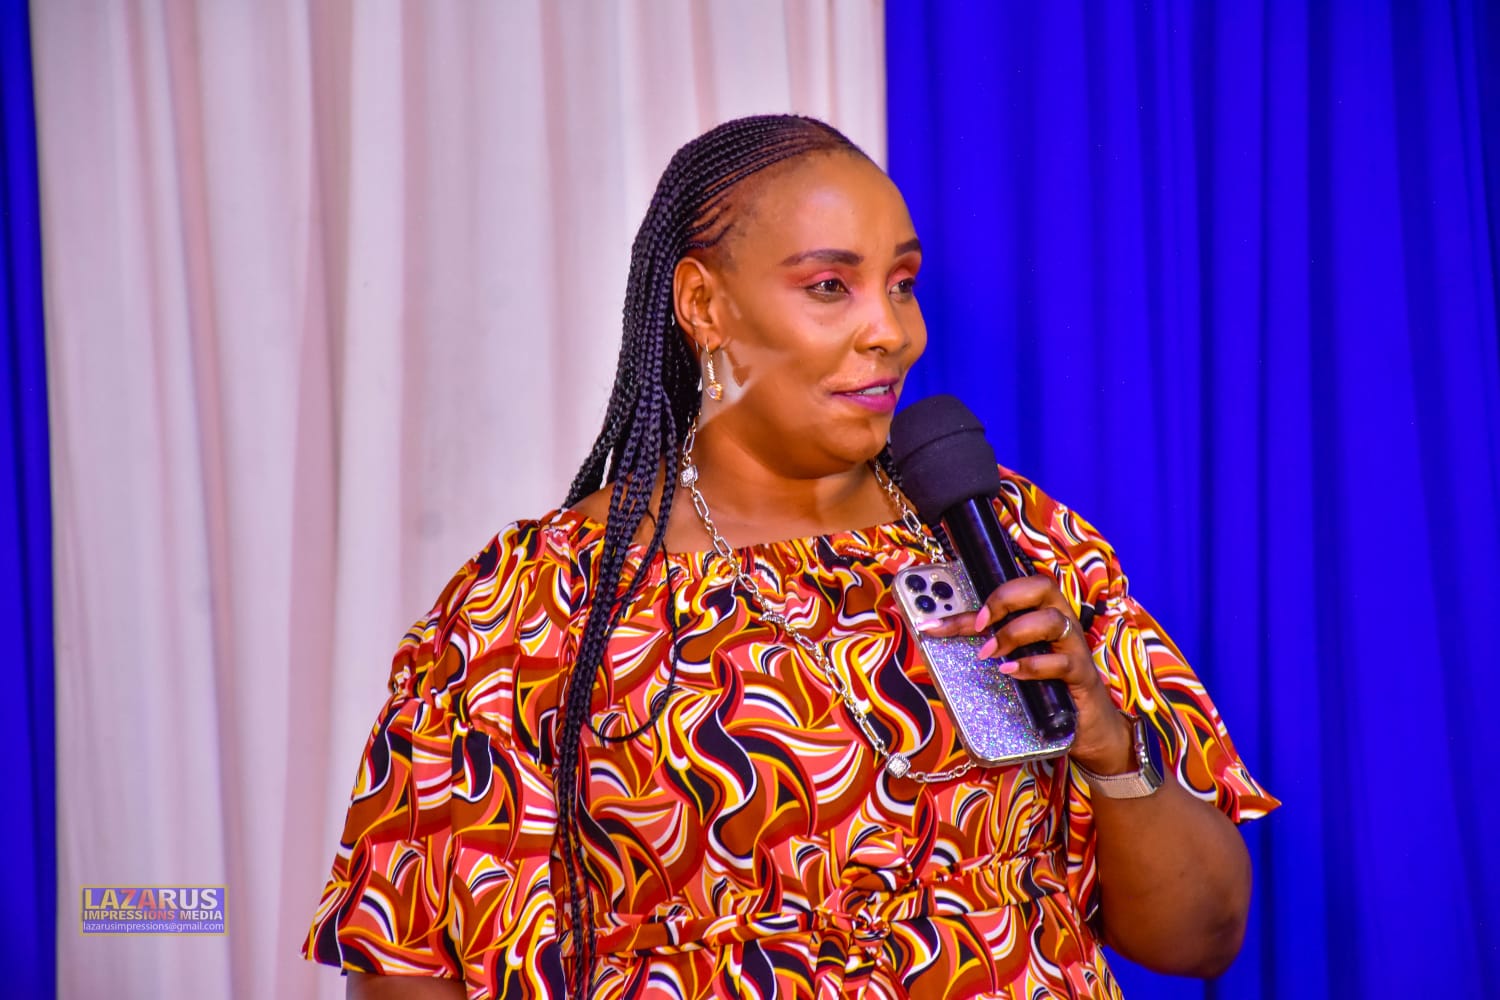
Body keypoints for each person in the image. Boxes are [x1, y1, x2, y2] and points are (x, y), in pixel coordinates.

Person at [304, 114, 1276, 1000]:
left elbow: (1201, 937)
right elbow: (407, 966)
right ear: (704, 303)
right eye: (829, 286)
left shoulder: (1016, 541)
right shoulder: (537, 605)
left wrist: (1107, 742)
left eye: (902, 283)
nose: (892, 332)